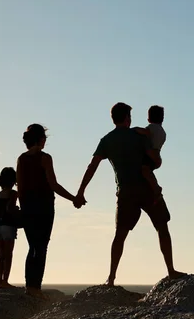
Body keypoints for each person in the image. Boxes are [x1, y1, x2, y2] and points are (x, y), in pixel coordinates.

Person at [74, 103, 186, 286]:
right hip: (146, 188)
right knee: (162, 226)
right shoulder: (137, 135)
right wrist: (157, 162)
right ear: (127, 117)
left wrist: (80, 192)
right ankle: (171, 270)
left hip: (125, 191)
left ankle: (111, 278)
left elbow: (92, 166)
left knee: (120, 234)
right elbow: (153, 158)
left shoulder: (107, 140)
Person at [16, 124, 79, 298]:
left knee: (32, 247)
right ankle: (35, 287)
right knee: (41, 247)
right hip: (43, 207)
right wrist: (73, 198)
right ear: (41, 139)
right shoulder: (45, 158)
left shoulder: (21, 159)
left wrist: (23, 208)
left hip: (28, 207)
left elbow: (20, 187)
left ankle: (30, 286)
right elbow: (53, 184)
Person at [134, 105, 166, 202]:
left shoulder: (152, 128)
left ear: (148, 119)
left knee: (145, 170)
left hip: (150, 155)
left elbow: (146, 132)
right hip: (156, 155)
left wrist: (135, 129)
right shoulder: (162, 130)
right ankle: (154, 188)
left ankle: (156, 188)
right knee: (148, 172)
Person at [0, 167, 19, 289]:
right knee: (8, 254)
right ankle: (5, 280)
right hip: (8, 225)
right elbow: (10, 208)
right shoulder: (13, 193)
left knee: (1, 254)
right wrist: (18, 211)